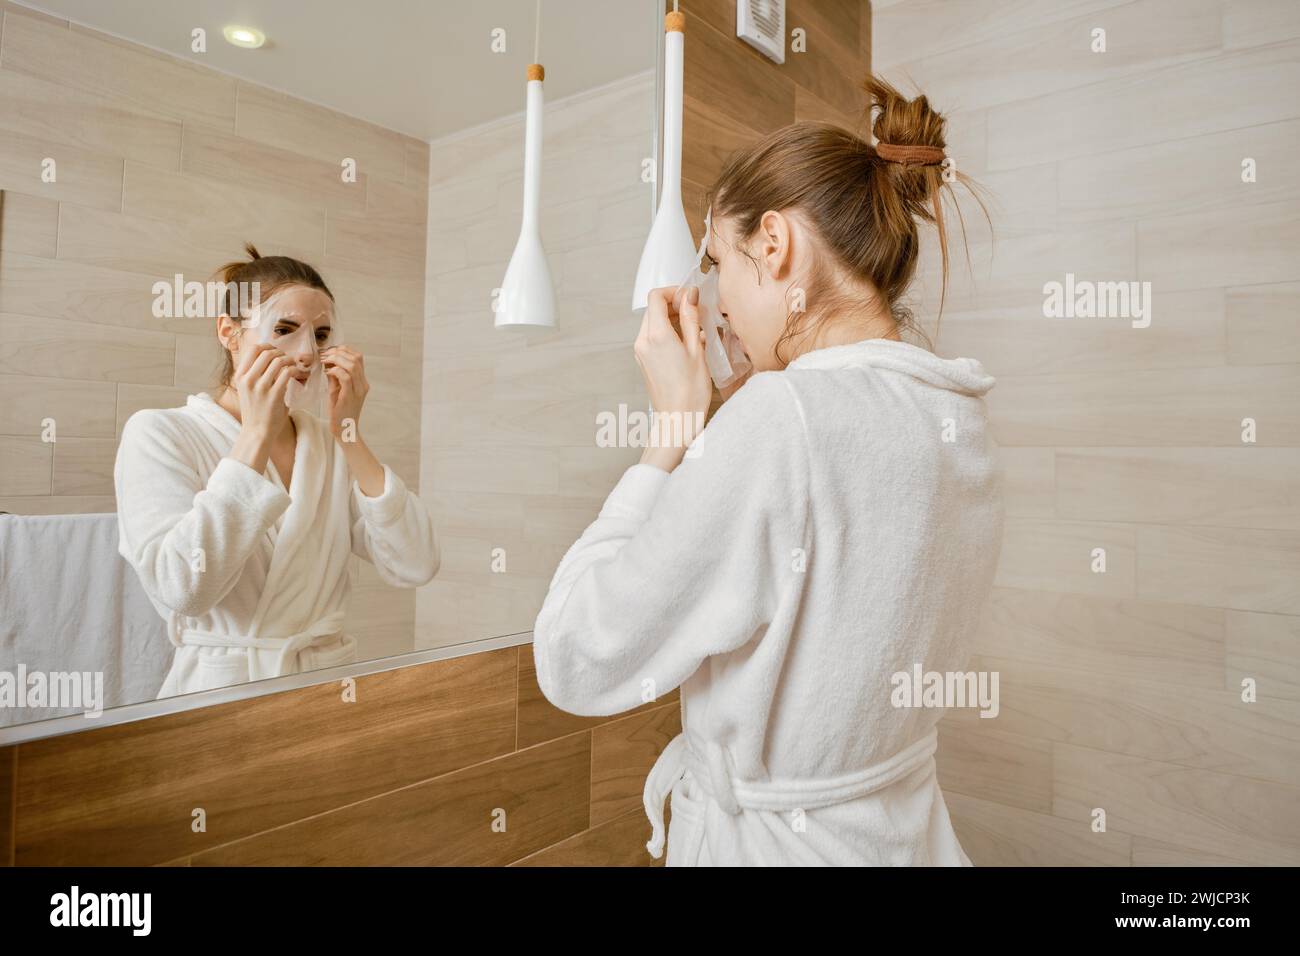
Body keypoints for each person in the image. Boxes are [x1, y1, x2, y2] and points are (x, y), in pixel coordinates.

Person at [532, 75, 1003, 865]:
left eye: (717, 261)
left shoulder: (783, 420)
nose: (715, 301)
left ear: (775, 245)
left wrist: (672, 434)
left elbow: (578, 657)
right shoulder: (956, 415)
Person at [114, 244, 439, 698]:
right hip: (219, 696)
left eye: (322, 336)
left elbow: (416, 564)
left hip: (324, 690)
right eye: (284, 329)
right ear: (229, 332)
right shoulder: (160, 433)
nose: (307, 353)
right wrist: (255, 436)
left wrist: (348, 434)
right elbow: (183, 587)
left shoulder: (326, 445)